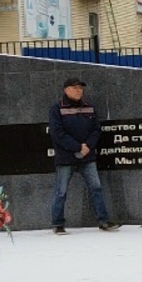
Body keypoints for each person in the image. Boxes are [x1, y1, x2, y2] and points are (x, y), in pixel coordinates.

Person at [48, 77, 119, 233]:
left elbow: (96, 130)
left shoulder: (89, 107)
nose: (79, 90)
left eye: (80, 88)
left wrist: (87, 146)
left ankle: (104, 221)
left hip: (87, 157)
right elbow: (57, 133)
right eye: (75, 87)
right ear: (65, 90)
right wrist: (77, 147)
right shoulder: (56, 109)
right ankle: (58, 224)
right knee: (61, 192)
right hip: (66, 158)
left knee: (96, 188)